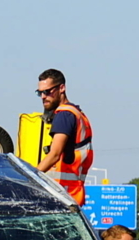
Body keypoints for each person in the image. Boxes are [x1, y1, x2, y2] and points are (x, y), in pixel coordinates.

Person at [35, 69, 94, 205]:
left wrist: (31, 177)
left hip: (62, 195)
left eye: (47, 92)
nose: (43, 96)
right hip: (72, 195)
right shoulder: (77, 113)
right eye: (40, 93)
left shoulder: (64, 115)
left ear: (62, 88)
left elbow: (55, 154)